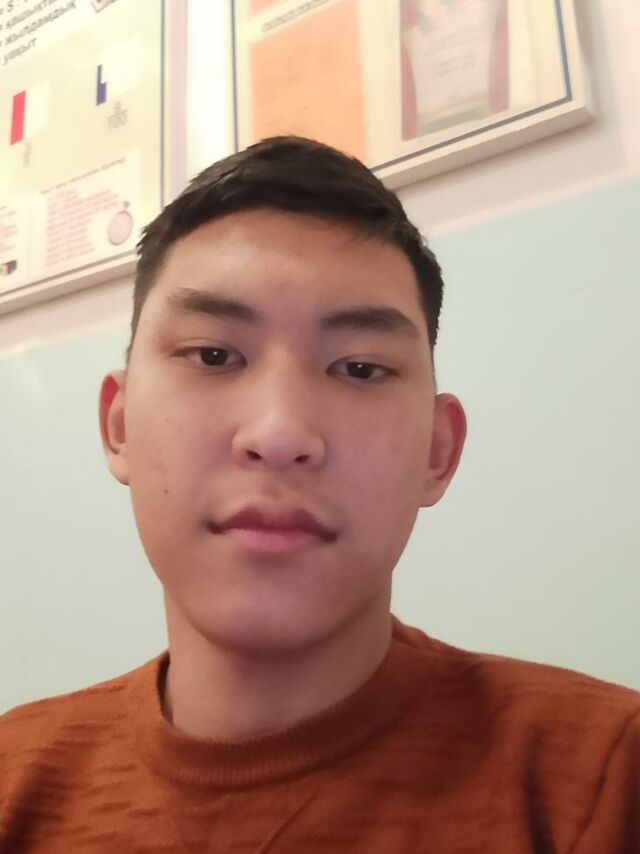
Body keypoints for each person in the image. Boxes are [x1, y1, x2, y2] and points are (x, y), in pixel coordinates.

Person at [1, 136, 638, 853]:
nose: (279, 433)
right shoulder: (14, 779)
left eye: (359, 368)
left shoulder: (602, 779)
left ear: (438, 451)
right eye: (214, 355)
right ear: (119, 427)